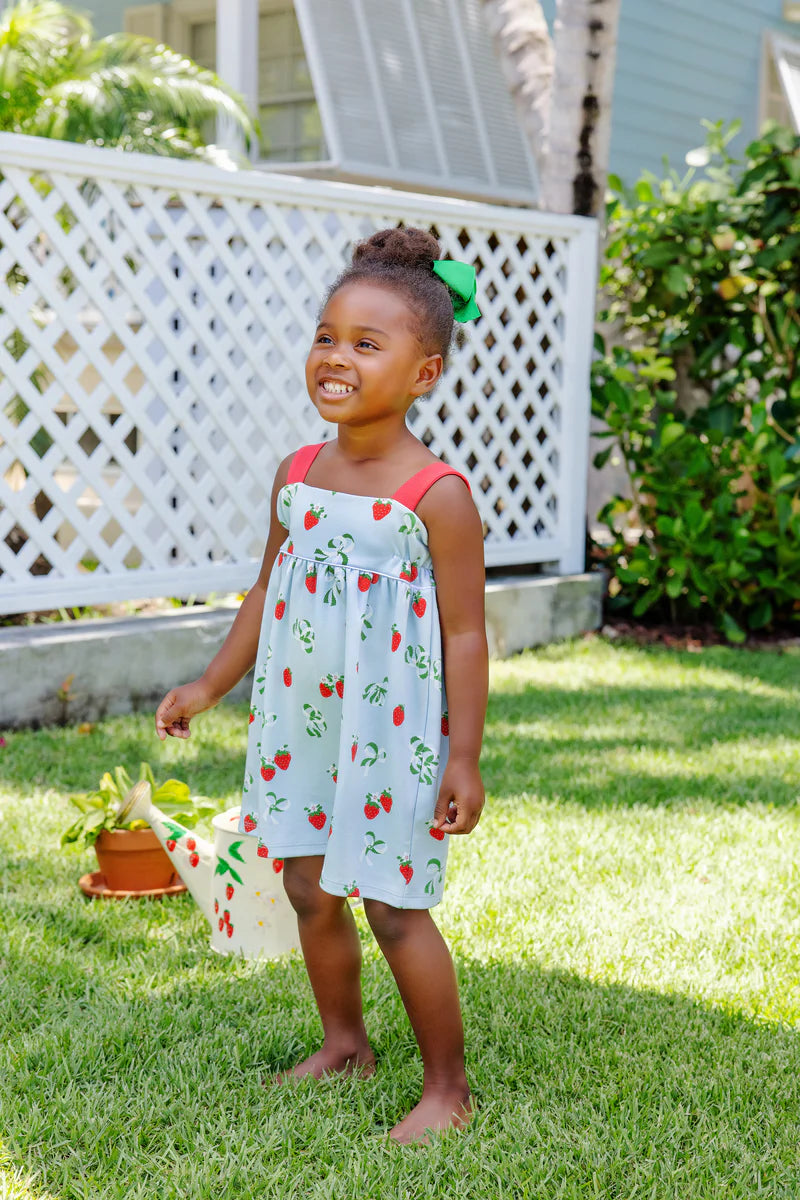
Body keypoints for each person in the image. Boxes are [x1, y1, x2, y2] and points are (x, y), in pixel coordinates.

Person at [155, 227, 489, 1144]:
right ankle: (345, 1043)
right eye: (326, 335)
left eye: (367, 344)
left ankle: (447, 1087)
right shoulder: (298, 475)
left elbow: (465, 632)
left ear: (423, 372)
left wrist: (464, 757)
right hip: (302, 720)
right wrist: (210, 683)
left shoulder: (437, 493)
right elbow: (267, 587)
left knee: (392, 905)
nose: (336, 357)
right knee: (308, 886)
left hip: (388, 734)